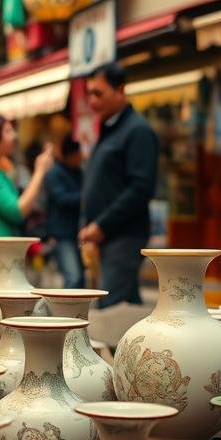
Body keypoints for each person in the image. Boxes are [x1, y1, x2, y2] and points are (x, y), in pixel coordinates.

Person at [79, 63, 159, 308]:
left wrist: (101, 225)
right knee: (126, 306)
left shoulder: (137, 131)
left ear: (121, 90)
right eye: (89, 93)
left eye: (98, 93)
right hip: (103, 237)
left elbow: (141, 188)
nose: (92, 101)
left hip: (123, 235)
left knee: (111, 306)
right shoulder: (109, 129)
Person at [0, 114, 54, 277]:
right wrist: (40, 170)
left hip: (2, 256)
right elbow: (18, 211)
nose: (14, 136)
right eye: (7, 131)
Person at [42, 137, 86, 289]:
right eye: (77, 155)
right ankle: (67, 311)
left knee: (80, 279)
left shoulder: (78, 172)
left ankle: (76, 312)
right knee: (73, 277)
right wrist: (85, 197)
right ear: (69, 155)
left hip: (78, 233)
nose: (80, 158)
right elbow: (62, 199)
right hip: (61, 235)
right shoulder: (54, 174)